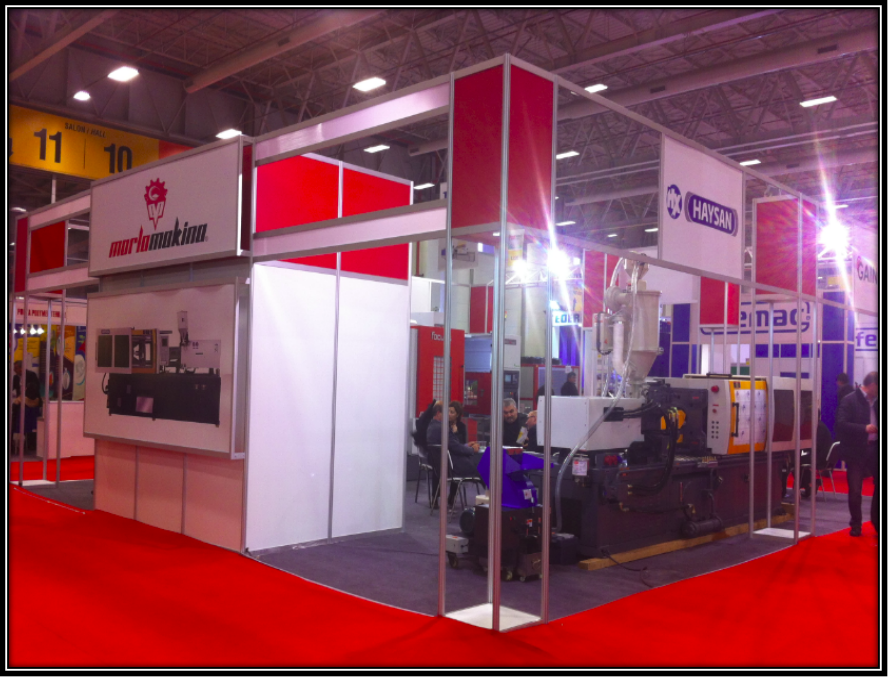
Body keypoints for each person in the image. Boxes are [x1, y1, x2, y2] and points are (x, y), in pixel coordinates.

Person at [835, 371, 877, 536]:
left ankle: (876, 521)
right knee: (855, 490)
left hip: (874, 449)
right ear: (872, 386)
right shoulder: (850, 400)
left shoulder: (876, 402)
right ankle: (856, 524)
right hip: (856, 450)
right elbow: (841, 424)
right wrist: (864, 428)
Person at [426, 403, 481, 508]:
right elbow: (454, 446)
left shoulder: (433, 426)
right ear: (439, 413)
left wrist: (466, 446)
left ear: (457, 414)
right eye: (447, 412)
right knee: (481, 468)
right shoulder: (444, 428)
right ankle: (490, 500)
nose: (448, 415)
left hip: (443, 462)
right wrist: (471, 450)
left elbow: (455, 445)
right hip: (451, 465)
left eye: (451, 412)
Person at [12, 360, 42, 455]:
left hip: (31, 403)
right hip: (20, 404)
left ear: (21, 368)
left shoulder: (31, 375)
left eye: (16, 368)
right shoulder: (15, 378)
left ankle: (31, 444)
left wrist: (24, 397)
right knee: (14, 418)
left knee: (30, 424)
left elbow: (35, 389)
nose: (14, 370)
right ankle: (12, 444)